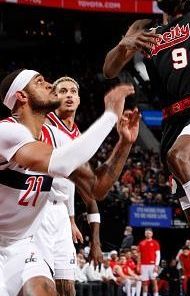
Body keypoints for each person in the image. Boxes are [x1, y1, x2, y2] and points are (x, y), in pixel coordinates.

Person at [103, 0, 190, 291]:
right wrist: (125, 44)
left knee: (180, 157)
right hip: (172, 122)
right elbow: (109, 69)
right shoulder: (144, 28)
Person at [0, 69, 139, 296]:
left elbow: (97, 188)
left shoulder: (59, 138)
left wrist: (124, 144)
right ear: (21, 96)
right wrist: (110, 115)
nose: (49, 85)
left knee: (46, 289)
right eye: (40, 82)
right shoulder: (7, 131)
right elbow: (61, 163)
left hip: (21, 245)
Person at [35, 76, 104, 296]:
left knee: (67, 285)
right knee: (42, 284)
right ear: (54, 97)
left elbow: (77, 186)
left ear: (79, 99)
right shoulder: (45, 126)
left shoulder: (76, 136)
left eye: (73, 91)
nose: (68, 95)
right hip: (39, 209)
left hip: (61, 214)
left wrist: (73, 220)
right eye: (62, 91)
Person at [138, 228, 161, 296]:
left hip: (152, 265)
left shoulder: (155, 243)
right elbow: (139, 255)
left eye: (149, 233)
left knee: (154, 282)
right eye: (147, 233)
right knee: (144, 283)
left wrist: (156, 266)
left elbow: (158, 255)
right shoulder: (141, 243)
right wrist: (139, 266)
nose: (148, 234)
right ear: (145, 234)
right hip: (143, 265)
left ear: (152, 234)